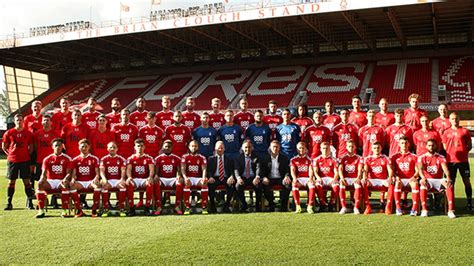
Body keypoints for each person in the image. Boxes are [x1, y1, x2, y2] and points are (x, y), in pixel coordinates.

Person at [35, 138, 76, 218]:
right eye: (56, 145)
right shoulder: (47, 159)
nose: (58, 147)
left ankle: (64, 210)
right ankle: (41, 210)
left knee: (65, 185)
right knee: (40, 184)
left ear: (63, 147)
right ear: (52, 147)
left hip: (61, 181)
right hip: (50, 181)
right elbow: (43, 173)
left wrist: (65, 179)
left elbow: (68, 173)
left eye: (60, 145)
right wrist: (41, 179)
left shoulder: (67, 158)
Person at [2, 114, 35, 210]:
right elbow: (4, 146)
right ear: (14, 121)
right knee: (11, 181)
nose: (19, 122)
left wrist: (26, 155)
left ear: (23, 121)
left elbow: (31, 147)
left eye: (21, 120)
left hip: (24, 160)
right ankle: (9, 203)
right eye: (17, 120)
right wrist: (10, 154)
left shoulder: (28, 133)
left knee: (27, 181)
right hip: (13, 161)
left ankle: (30, 202)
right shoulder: (9, 133)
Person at [418, 139, 456, 218]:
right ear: (426, 146)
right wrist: (423, 177)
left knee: (449, 185)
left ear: (436, 146)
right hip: (428, 179)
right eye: (429, 145)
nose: (431, 147)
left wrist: (448, 177)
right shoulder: (422, 157)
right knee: (422, 185)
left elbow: (445, 169)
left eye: (432, 145)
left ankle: (450, 210)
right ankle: (424, 210)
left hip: (439, 179)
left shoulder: (440, 157)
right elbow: (420, 169)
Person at [442, 112, 472, 210]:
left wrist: (463, 152)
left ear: (459, 119)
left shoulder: (465, 131)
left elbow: (469, 145)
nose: (454, 120)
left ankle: (469, 202)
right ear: (449, 120)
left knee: (466, 181)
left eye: (456, 118)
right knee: (451, 182)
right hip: (450, 161)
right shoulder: (446, 132)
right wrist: (452, 153)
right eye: (452, 119)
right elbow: (445, 146)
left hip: (463, 161)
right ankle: (451, 203)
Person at [361, 142, 394, 215]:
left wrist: (390, 178)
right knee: (363, 183)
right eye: (375, 148)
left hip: (383, 180)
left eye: (378, 148)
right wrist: (364, 178)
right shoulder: (368, 158)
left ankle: (388, 207)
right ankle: (367, 206)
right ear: (372, 149)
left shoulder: (386, 158)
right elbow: (365, 170)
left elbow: (390, 170)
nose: (376, 149)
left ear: (381, 148)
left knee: (391, 183)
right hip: (372, 180)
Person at [69, 139, 100, 217]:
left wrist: (96, 178)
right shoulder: (75, 160)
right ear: (79, 147)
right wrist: (73, 179)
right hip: (80, 182)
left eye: (86, 146)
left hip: (90, 181)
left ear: (89, 147)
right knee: (72, 186)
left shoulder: (94, 159)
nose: (84, 148)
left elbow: (97, 173)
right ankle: (79, 210)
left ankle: (94, 210)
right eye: (82, 146)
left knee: (97, 187)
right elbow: (74, 174)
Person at [259, 140, 291, 212]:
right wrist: (264, 178)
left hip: (280, 178)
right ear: (270, 148)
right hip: (269, 179)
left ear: (279, 148)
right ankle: (271, 204)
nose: (275, 148)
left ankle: (283, 206)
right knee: (264, 186)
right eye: (273, 147)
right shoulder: (265, 159)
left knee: (288, 185)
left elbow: (287, 170)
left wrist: (286, 177)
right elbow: (262, 171)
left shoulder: (284, 158)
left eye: (277, 147)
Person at [125, 139, 155, 216]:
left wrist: (150, 177)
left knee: (150, 184)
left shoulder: (148, 158)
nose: (140, 148)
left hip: (144, 179)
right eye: (138, 146)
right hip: (134, 179)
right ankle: (131, 209)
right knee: (129, 184)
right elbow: (128, 169)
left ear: (144, 147)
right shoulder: (130, 158)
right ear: (134, 147)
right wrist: (129, 177)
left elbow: (151, 169)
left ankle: (147, 208)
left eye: (142, 146)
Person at [391, 136, 420, 216]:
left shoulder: (414, 156)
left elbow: (417, 170)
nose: (404, 145)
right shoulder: (394, 157)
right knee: (397, 183)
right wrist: (396, 176)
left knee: (415, 184)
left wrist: (414, 177)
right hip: (399, 179)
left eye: (405, 143)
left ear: (409, 144)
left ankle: (414, 209)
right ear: (399, 144)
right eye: (402, 143)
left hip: (410, 178)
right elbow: (392, 170)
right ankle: (398, 208)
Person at [155, 140, 184, 215]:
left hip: (172, 179)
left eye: (169, 147)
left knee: (180, 183)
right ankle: (159, 206)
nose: (167, 148)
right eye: (165, 147)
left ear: (172, 148)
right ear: (163, 148)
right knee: (156, 182)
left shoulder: (176, 158)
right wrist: (156, 175)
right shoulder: (158, 158)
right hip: (162, 178)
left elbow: (179, 170)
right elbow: (156, 171)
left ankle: (177, 206)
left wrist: (179, 176)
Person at [99, 141, 127, 217]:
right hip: (108, 180)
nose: (112, 149)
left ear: (117, 149)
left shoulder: (121, 159)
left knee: (122, 187)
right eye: (110, 147)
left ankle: (121, 209)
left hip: (118, 180)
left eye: (114, 147)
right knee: (104, 187)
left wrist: (122, 179)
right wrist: (104, 180)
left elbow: (123, 170)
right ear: (107, 149)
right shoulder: (104, 159)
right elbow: (102, 171)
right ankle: (106, 209)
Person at [206, 141, 235, 213]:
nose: (220, 149)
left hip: (225, 178)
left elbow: (232, 170)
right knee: (210, 185)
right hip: (215, 178)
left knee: (231, 185)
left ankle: (227, 205)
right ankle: (212, 205)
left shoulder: (229, 159)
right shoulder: (211, 159)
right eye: (219, 148)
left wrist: (231, 177)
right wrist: (210, 177)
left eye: (222, 148)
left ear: (224, 149)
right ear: (215, 149)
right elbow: (208, 170)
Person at [234, 140, 262, 212]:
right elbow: (236, 169)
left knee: (258, 185)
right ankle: (244, 205)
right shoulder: (238, 158)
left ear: (252, 148)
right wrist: (238, 178)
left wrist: (257, 177)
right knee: (238, 186)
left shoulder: (257, 157)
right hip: (243, 178)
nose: (247, 149)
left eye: (249, 147)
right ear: (242, 148)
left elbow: (258, 168)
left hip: (253, 177)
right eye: (246, 147)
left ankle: (257, 205)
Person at [181, 140, 208, 215]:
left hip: (197, 178)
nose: (194, 148)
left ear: (198, 147)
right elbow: (183, 169)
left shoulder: (202, 157)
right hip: (189, 177)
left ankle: (204, 206)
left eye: (195, 146)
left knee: (204, 183)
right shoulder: (185, 157)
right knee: (187, 183)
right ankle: (187, 207)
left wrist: (203, 178)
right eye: (192, 146)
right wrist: (185, 177)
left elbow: (204, 169)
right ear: (189, 147)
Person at [32, 115, 60, 189]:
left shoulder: (56, 133)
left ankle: (54, 198)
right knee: (39, 179)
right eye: (44, 120)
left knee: (53, 179)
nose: (46, 122)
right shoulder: (37, 134)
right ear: (41, 122)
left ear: (51, 122)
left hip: (53, 161)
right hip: (40, 160)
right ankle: (42, 196)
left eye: (48, 120)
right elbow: (35, 146)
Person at [338, 140, 363, 214]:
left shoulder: (359, 158)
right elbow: (340, 169)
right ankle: (343, 207)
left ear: (355, 147)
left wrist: (358, 178)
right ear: (346, 147)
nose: (351, 148)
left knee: (358, 185)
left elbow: (360, 169)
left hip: (355, 178)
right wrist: (342, 178)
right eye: (349, 146)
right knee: (341, 184)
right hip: (346, 178)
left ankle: (356, 207)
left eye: (352, 146)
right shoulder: (343, 158)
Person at [313, 141, 340, 212]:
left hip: (331, 178)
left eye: (327, 148)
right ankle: (322, 203)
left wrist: (335, 179)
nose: (325, 150)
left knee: (336, 185)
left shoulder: (334, 160)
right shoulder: (317, 160)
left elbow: (336, 172)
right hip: (321, 178)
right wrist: (318, 178)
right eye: (323, 148)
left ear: (329, 149)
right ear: (320, 149)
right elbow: (315, 171)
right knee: (317, 185)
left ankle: (331, 203)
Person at [290, 142, 315, 214]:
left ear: (306, 149)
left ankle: (309, 206)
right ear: (297, 149)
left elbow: (311, 170)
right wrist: (294, 178)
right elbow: (292, 170)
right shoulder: (293, 160)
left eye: (303, 148)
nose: (301, 149)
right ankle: (298, 206)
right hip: (299, 179)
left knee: (312, 185)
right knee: (294, 185)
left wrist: (311, 178)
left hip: (307, 178)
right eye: (300, 148)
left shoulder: (309, 159)